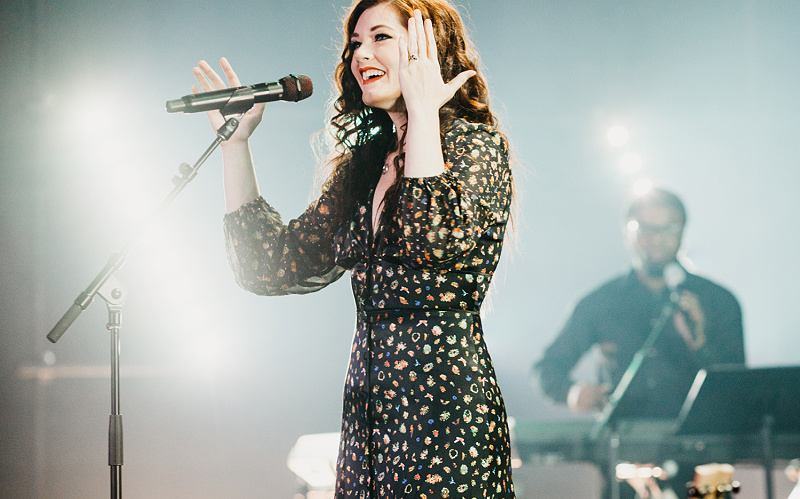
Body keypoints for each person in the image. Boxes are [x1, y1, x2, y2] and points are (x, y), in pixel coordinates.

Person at [189, 0, 515, 497]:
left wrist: (424, 111)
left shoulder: (474, 146)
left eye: (380, 37)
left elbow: (429, 238)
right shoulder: (365, 168)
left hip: (446, 412)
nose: (361, 53)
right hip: (370, 416)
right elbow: (269, 266)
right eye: (355, 43)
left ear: (430, 46)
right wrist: (235, 145)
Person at [533, 188, 745, 498]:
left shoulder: (719, 301)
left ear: (683, 231)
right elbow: (546, 369)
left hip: (707, 462)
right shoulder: (600, 303)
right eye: (644, 228)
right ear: (627, 233)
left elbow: (740, 388)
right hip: (628, 462)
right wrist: (574, 392)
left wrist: (700, 342)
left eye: (667, 229)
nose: (655, 238)